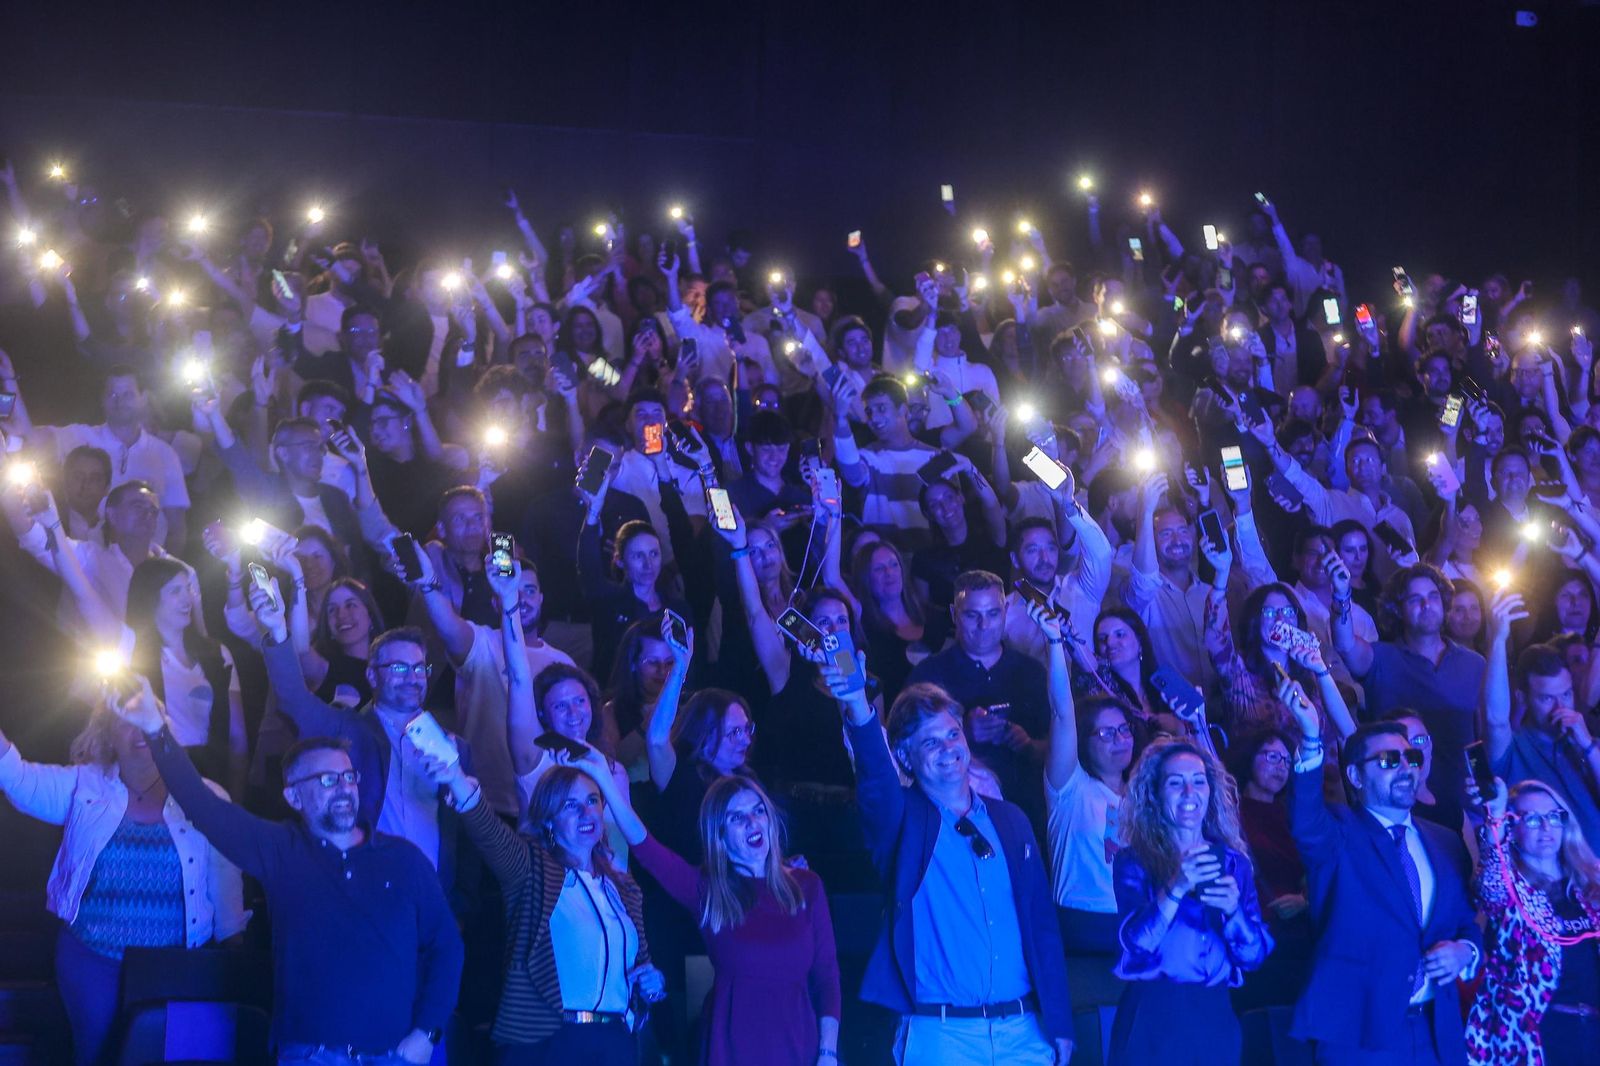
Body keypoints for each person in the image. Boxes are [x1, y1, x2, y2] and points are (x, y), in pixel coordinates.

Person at [112, 687, 462, 1066]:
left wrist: (427, 1032)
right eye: (327, 781)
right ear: (294, 798)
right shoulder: (281, 850)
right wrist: (154, 728)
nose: (344, 787)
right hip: (309, 1056)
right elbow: (203, 806)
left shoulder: (404, 861)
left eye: (348, 777)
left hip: (395, 1055)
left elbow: (447, 946)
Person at [822, 669, 1073, 1065]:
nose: (948, 748)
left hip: (1023, 1031)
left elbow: (1042, 926)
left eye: (953, 734)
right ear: (905, 756)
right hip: (941, 1036)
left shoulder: (1012, 820)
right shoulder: (903, 820)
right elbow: (876, 782)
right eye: (930, 742)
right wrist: (857, 705)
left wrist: (1060, 1023)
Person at [0, 697, 248, 1066]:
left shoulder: (206, 795)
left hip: (175, 963)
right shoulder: (84, 784)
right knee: (98, 1054)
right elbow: (19, 779)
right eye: (126, 720)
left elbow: (225, 881)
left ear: (168, 731)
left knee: (158, 1057)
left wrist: (236, 955)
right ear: (108, 735)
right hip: (92, 960)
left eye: (151, 717)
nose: (140, 728)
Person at [583, 755, 842, 1066]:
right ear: (720, 835)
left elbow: (827, 976)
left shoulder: (807, 886)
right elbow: (645, 847)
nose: (752, 822)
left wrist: (828, 1053)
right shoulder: (708, 890)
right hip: (732, 1049)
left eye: (759, 811)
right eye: (737, 817)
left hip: (799, 1046)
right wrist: (603, 779)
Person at [419, 753, 664, 1065]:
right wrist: (455, 777)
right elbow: (490, 832)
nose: (587, 812)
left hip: (614, 1041)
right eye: (570, 805)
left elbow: (641, 966)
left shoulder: (624, 888)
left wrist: (652, 982)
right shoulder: (531, 870)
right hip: (548, 1042)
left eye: (592, 800)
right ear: (548, 820)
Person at [1283, 682, 1482, 1065]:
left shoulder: (1444, 842)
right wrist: (1311, 739)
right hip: (1360, 1038)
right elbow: (1305, 819)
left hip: (1435, 1033)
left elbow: (1463, 923)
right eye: (1389, 761)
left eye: (1410, 757)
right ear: (1356, 777)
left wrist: (1465, 951)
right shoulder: (1338, 834)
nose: (1407, 767)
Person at [1107, 737, 1272, 1065]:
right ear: (1155, 793)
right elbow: (1135, 943)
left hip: (1214, 1015)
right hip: (1152, 1016)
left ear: (1210, 792)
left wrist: (1233, 912)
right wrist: (1176, 887)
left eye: (1198, 781)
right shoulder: (1134, 861)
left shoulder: (1234, 863)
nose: (1189, 793)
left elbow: (1254, 956)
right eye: (1175, 783)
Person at [1466, 776, 1600, 1065]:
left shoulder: (1590, 887)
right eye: (1533, 820)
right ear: (1512, 830)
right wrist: (1497, 815)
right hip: (1537, 1034)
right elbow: (1490, 885)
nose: (1546, 828)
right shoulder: (1510, 889)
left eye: (1553, 817)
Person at [906, 570, 1049, 818]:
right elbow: (908, 754)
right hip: (956, 814)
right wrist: (962, 735)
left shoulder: (1032, 672)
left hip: (1028, 809)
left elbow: (1059, 748)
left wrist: (1027, 745)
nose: (984, 626)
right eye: (972, 615)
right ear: (954, 614)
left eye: (993, 613)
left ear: (1005, 610)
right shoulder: (928, 676)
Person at [1035, 600, 1134, 955]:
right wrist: (1055, 644)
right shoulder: (1070, 788)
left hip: (1137, 926)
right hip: (1082, 926)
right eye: (1105, 733)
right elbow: (1062, 713)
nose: (1119, 740)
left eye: (1123, 730)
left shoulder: (1144, 798)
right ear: (1083, 741)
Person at [1483, 599, 1600, 849]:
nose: (1560, 708)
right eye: (1547, 698)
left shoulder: (1588, 744)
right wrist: (1498, 640)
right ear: (1523, 698)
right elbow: (1495, 720)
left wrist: (1588, 747)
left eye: (1566, 694)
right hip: (1549, 883)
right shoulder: (1513, 749)